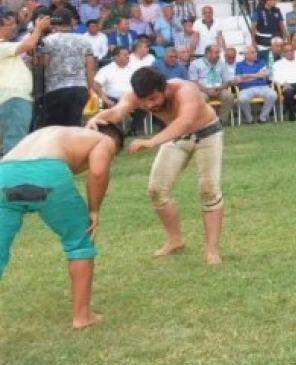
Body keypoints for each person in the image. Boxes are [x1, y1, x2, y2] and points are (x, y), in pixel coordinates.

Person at [86, 67, 226, 265]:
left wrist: (152, 142)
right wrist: (96, 119)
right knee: (157, 190)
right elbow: (117, 112)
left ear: (165, 89)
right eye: (144, 101)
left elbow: (185, 122)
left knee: (209, 190)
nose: (148, 105)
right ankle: (176, 240)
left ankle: (212, 250)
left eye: (153, 99)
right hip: (176, 137)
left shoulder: (185, 90)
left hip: (207, 134)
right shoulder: (137, 96)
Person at [0, 123, 123, 329]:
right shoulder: (105, 139)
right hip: (47, 174)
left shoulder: (54, 133)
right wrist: (94, 210)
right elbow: (99, 171)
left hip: (4, 174)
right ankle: (82, 316)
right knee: (80, 238)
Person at [0, 14, 50, 153]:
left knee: (13, 137)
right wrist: (38, 28)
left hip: (13, 97)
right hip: (14, 97)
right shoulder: (2, 45)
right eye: (9, 25)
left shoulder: (7, 47)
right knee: (15, 139)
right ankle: (12, 171)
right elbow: (28, 44)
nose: (13, 28)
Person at [39, 10, 97, 127]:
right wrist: (90, 89)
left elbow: (43, 63)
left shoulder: (48, 41)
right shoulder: (84, 40)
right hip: (80, 87)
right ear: (71, 22)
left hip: (55, 89)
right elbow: (90, 68)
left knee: (55, 128)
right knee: (74, 126)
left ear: (53, 22)